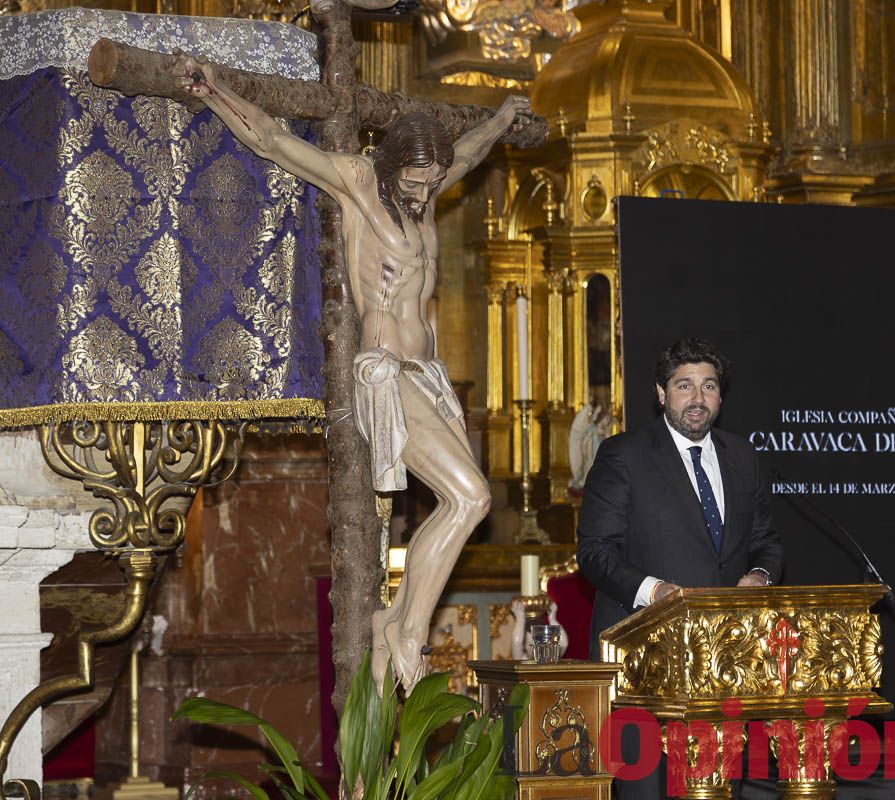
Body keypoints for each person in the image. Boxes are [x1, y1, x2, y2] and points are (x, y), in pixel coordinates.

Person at [171, 51, 531, 692]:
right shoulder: (362, 183)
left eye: (432, 181)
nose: (425, 193)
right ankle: (408, 629)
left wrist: (502, 118)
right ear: (393, 164)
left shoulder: (427, 189)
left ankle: (397, 618)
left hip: (430, 375)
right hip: (386, 371)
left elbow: (469, 155)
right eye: (416, 180)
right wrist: (214, 89)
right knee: (470, 498)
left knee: (464, 502)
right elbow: (274, 140)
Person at [576, 337, 783, 798]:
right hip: (640, 663)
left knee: (717, 789)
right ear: (660, 393)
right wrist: (655, 592)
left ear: (720, 397)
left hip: (719, 665)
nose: (697, 398)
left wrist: (761, 577)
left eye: (708, 386)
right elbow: (594, 551)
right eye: (684, 385)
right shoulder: (624, 455)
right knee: (643, 793)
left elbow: (767, 542)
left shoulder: (742, 457)